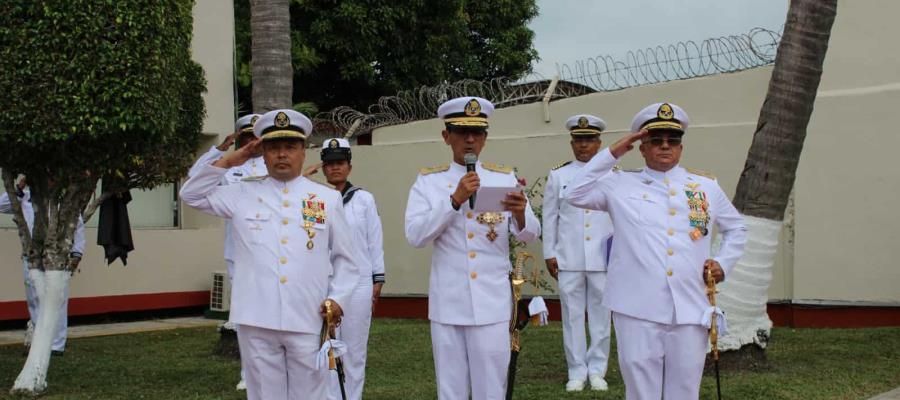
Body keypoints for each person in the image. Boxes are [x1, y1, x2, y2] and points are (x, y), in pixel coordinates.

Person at [562, 102, 747, 399]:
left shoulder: (704, 187)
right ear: (642, 147)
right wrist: (613, 152)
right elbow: (573, 193)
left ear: (681, 147)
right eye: (655, 140)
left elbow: (736, 228)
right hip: (636, 308)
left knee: (685, 391)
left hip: (689, 306)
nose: (665, 146)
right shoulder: (619, 183)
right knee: (641, 392)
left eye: (672, 141)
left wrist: (723, 262)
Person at [180, 109, 361, 400]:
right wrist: (233, 159)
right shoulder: (241, 194)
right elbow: (190, 195)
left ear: (304, 151)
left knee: (310, 394)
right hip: (256, 317)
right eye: (273, 147)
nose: (282, 155)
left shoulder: (326, 199)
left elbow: (348, 260)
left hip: (307, 314)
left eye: (290, 147)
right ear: (262, 153)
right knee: (264, 394)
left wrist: (337, 298)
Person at [404, 96, 541, 400]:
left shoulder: (502, 177)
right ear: (446, 136)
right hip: (448, 302)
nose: (469, 139)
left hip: (491, 303)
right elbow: (415, 235)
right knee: (450, 389)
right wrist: (454, 200)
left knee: (491, 387)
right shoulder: (429, 182)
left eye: (477, 133)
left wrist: (520, 213)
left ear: (485, 138)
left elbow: (530, 234)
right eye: (461, 131)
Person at [186, 113, 263, 390]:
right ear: (238, 139)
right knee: (244, 316)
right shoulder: (229, 169)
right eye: (246, 137)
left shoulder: (275, 164)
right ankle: (248, 372)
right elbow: (194, 182)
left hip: (273, 253)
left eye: (257, 136)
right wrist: (218, 151)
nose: (252, 142)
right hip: (240, 254)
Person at [542, 114, 614, 392]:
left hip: (602, 258)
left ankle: (597, 370)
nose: (583, 146)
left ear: (599, 143)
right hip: (568, 257)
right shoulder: (558, 175)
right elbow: (550, 217)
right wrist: (550, 252)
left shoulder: (613, 174)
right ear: (572, 143)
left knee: (600, 317)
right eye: (578, 140)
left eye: (589, 140)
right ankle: (576, 371)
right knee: (571, 317)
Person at [315, 137, 385, 400]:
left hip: (359, 283)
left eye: (340, 163)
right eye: (330, 164)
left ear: (349, 167)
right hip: (326, 281)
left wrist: (377, 279)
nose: (335, 168)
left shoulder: (364, 199)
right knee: (326, 347)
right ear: (323, 168)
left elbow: (374, 240)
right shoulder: (314, 200)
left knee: (355, 349)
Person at [0, 176, 85, 355]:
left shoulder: (64, 201)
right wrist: (19, 188)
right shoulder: (26, 197)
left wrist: (76, 254)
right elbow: (3, 206)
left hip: (57, 255)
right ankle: (39, 342)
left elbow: (77, 227)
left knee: (58, 299)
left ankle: (56, 345)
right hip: (32, 255)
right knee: (35, 299)